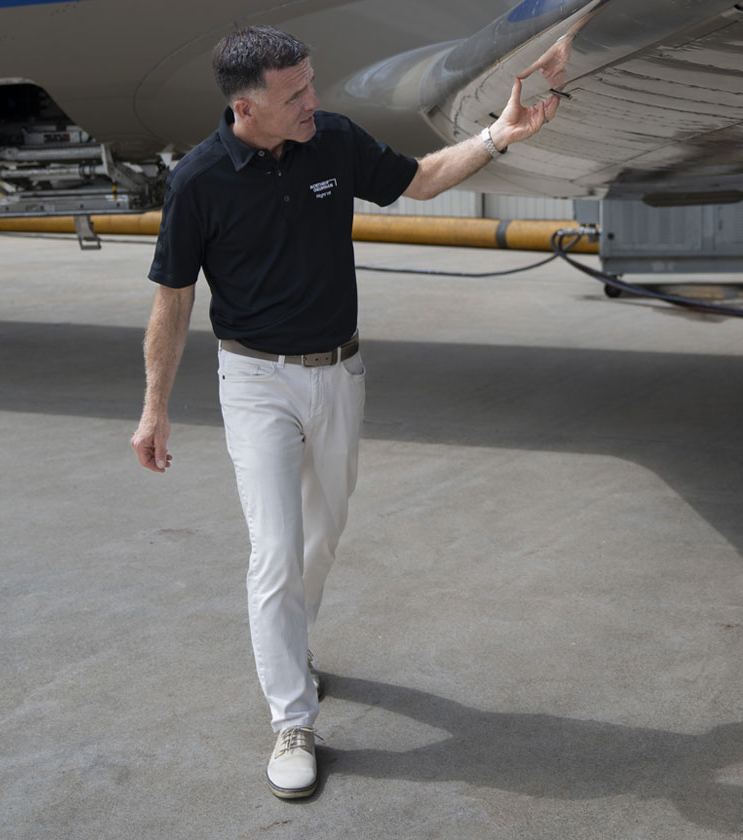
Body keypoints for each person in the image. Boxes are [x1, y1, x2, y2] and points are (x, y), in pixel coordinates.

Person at [129, 24, 561, 800]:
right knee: (276, 551)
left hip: (339, 372)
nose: (312, 102)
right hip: (255, 382)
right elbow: (173, 299)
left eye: (310, 84)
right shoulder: (199, 181)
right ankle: (292, 719)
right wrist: (154, 408)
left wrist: (500, 135)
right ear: (244, 108)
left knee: (320, 540)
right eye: (293, 94)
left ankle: (294, 642)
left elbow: (421, 181)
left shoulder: (330, 141)